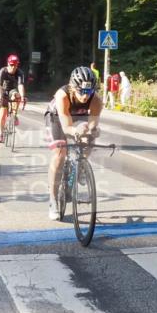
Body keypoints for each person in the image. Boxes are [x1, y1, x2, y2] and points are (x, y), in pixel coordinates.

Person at [44, 66, 103, 220]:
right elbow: (66, 127)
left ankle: (81, 167)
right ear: (72, 88)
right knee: (60, 153)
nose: (85, 96)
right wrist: (76, 130)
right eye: (81, 91)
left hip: (79, 117)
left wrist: (92, 130)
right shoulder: (62, 95)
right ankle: (53, 200)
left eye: (88, 92)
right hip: (57, 118)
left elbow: (92, 124)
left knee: (88, 138)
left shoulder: (96, 99)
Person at [0, 54, 27, 142]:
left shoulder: (20, 72)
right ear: (8, 64)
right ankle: (0, 134)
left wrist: (23, 96)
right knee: (2, 114)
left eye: (15, 65)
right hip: (4, 91)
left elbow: (20, 85)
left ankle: (14, 114)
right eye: (11, 65)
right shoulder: (3, 71)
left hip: (13, 90)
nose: (13, 67)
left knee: (17, 95)